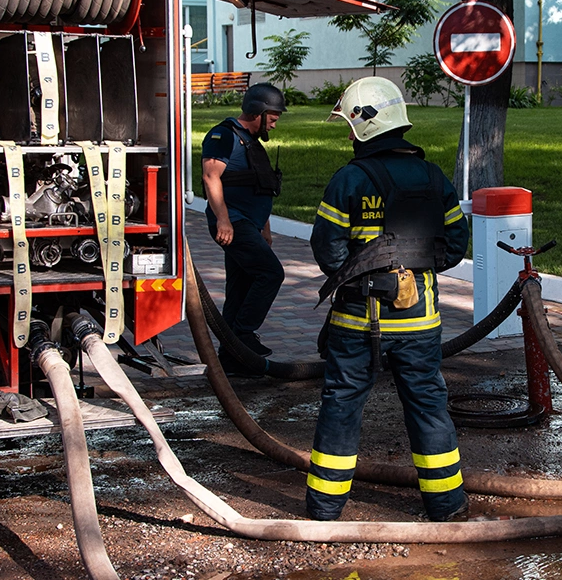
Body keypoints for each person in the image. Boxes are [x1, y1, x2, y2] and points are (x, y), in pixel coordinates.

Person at [305, 76, 470, 522]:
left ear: (361, 126)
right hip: (420, 324)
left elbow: (328, 252)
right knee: (429, 409)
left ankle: (324, 511)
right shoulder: (434, 177)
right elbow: (455, 246)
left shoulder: (349, 180)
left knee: (341, 407)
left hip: (358, 324)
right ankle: (447, 506)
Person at [201, 82, 287, 373]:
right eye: (272, 119)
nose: (274, 126)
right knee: (271, 273)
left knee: (240, 287)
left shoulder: (252, 143)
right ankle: (243, 335)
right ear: (258, 112)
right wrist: (223, 220)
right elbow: (211, 177)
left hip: (249, 223)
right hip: (233, 222)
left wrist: (266, 227)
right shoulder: (223, 136)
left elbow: (260, 187)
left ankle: (231, 357)